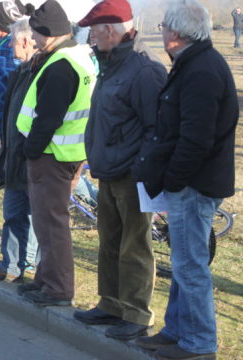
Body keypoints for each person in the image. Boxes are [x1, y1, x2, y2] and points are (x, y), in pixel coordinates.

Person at [135, 1, 238, 359]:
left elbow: (196, 139)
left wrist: (174, 181)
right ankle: (178, 330)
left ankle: (199, 345)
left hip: (195, 184)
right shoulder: (194, 63)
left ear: (175, 32)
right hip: (191, 181)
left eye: (163, 25)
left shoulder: (203, 69)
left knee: (190, 265)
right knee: (183, 262)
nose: (161, 29)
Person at [72, 0, 168, 340]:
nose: (91, 39)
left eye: (94, 32)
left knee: (134, 245)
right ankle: (111, 304)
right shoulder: (113, 62)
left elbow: (157, 128)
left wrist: (138, 168)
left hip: (131, 174)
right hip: (109, 170)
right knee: (109, 241)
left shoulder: (144, 68)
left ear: (110, 30)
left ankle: (137, 314)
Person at [17, 0, 96, 307]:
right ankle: (45, 280)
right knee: (49, 223)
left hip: (52, 154)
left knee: (51, 224)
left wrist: (31, 150)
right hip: (67, 152)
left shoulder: (61, 64)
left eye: (35, 34)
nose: (32, 40)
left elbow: (48, 118)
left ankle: (58, 288)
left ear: (48, 34)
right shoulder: (78, 57)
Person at [0, 16, 42, 283]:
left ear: (26, 41)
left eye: (13, 43)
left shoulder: (44, 70)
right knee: (13, 210)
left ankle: (28, 265)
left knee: (35, 214)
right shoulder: (19, 69)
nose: (10, 48)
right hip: (15, 152)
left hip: (36, 154)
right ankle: (11, 265)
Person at [0, 0, 29, 139]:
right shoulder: (4, 50)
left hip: (12, 135)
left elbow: (1, 108)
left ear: (2, 23)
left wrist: (5, 143)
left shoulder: (5, 57)